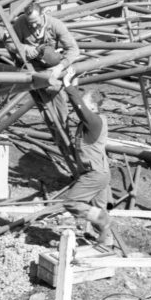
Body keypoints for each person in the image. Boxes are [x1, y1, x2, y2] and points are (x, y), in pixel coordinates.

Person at [56, 71, 117, 248]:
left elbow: (78, 106)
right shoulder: (91, 122)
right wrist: (73, 83)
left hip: (95, 173)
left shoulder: (94, 122)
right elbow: (80, 107)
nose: (82, 102)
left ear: (92, 106)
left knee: (72, 202)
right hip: (101, 173)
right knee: (99, 208)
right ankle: (106, 241)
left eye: (85, 100)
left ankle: (103, 220)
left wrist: (68, 86)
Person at [10, 2, 80, 126]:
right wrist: (26, 48)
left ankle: (62, 124)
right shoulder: (21, 21)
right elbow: (9, 43)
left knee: (55, 92)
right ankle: (53, 122)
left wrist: (60, 66)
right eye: (30, 22)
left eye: (36, 22)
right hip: (30, 65)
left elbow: (74, 50)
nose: (34, 25)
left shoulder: (55, 24)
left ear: (43, 14)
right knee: (41, 96)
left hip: (51, 65)